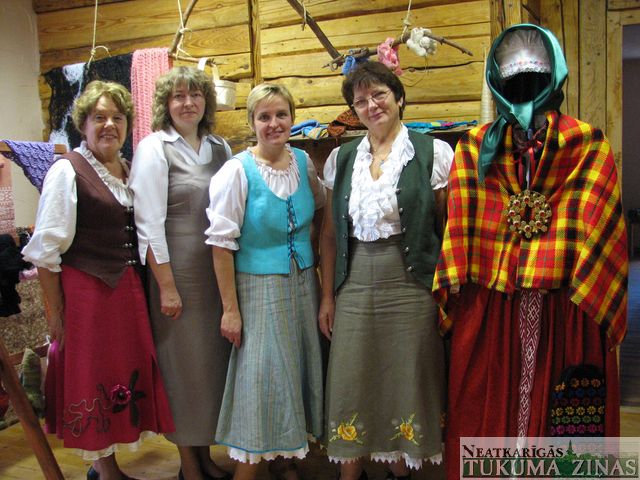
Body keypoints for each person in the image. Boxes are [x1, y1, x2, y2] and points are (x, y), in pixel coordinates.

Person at [432, 24, 628, 479]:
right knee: (484, 406)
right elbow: (464, 226)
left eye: (535, 78)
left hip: (567, 302)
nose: (525, 89)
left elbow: (602, 228)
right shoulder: (475, 147)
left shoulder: (586, 143)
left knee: (571, 415)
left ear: (553, 78)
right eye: (515, 80)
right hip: (492, 301)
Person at [22, 80, 174, 480]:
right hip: (87, 294)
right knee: (93, 376)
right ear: (83, 124)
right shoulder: (66, 170)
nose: (109, 125)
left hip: (126, 292)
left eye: (118, 118)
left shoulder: (127, 169)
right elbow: (46, 251)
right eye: (99, 117)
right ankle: (106, 471)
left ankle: (105, 467)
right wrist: (56, 314)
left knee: (118, 375)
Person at [318, 60, 453, 480]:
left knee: (406, 379)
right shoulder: (341, 159)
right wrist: (327, 297)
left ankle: (401, 471)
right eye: (360, 101)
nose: (371, 105)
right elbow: (329, 235)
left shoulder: (433, 153)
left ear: (399, 98)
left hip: (412, 284)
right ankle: (350, 474)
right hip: (355, 282)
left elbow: (446, 228)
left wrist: (446, 292)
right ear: (353, 111)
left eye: (379, 94)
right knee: (350, 377)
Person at [206, 83, 325, 480]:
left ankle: (284, 458)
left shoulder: (303, 162)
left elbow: (319, 213)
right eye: (264, 117)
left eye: (281, 115)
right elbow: (221, 245)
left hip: (303, 284)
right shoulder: (236, 171)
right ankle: (248, 471)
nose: (274, 123)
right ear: (252, 123)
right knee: (261, 377)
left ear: (292, 118)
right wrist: (230, 310)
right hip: (258, 287)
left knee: (293, 371)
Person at [129, 66, 233, 480]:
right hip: (178, 278)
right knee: (182, 371)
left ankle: (205, 457)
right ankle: (189, 465)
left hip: (216, 278)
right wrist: (167, 286)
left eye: (195, 95)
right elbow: (148, 224)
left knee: (209, 371)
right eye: (178, 96)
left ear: (206, 100)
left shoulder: (220, 147)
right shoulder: (154, 148)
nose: (188, 103)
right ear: (165, 104)